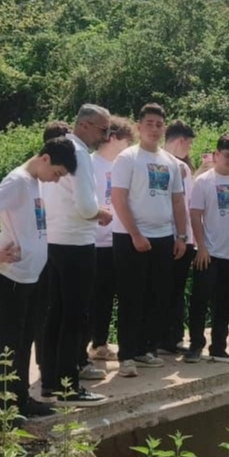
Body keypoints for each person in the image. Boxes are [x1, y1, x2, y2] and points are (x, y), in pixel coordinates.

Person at [0, 137, 77, 422]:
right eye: (57, 173)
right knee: (9, 342)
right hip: (10, 277)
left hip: (32, 276)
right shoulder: (17, 181)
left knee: (25, 339)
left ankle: (19, 399)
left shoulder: (34, 182)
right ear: (45, 158)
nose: (56, 180)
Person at [38, 104, 111, 406]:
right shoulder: (79, 153)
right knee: (75, 316)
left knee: (55, 314)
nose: (106, 136)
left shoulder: (58, 147)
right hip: (76, 244)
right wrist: (102, 213)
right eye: (103, 130)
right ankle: (69, 387)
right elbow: (85, 206)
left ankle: (50, 382)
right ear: (84, 125)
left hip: (53, 242)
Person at [110, 104, 189, 378]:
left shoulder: (170, 162)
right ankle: (126, 355)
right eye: (149, 123)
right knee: (131, 296)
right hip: (130, 237)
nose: (154, 129)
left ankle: (146, 349)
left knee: (157, 296)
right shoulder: (127, 158)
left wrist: (181, 236)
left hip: (163, 237)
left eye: (159, 124)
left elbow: (177, 201)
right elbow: (118, 198)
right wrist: (135, 234)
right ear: (139, 126)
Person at [186, 135, 229, 363]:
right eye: (227, 155)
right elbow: (195, 215)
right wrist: (201, 246)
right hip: (209, 251)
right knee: (200, 299)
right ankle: (196, 344)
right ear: (216, 154)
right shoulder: (203, 181)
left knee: (225, 302)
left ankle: (218, 346)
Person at [88, 116, 134, 364]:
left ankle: (100, 343)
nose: (128, 148)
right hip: (92, 241)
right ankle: (80, 348)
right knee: (91, 296)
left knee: (108, 296)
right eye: (127, 142)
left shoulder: (121, 166)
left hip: (117, 239)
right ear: (113, 138)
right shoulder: (88, 163)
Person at [163, 120, 196, 354]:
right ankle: (171, 337)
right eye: (189, 144)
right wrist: (184, 237)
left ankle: (167, 337)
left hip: (171, 235)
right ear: (181, 141)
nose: (189, 149)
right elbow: (184, 204)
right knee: (173, 290)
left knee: (170, 289)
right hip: (178, 236)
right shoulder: (177, 166)